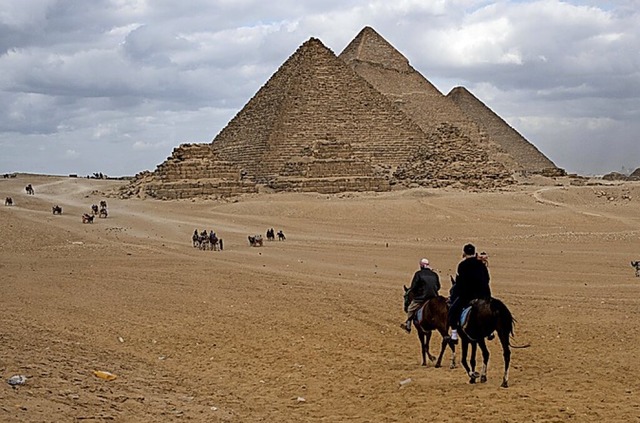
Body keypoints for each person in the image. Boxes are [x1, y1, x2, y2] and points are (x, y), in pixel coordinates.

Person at [448, 243, 491, 343]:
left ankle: (454, 334)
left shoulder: (462, 265)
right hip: (483, 295)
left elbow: (459, 283)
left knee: (452, 311)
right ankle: (489, 332)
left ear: (464, 253)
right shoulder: (481, 264)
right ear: (474, 252)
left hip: (468, 296)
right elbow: (487, 279)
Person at [401, 258, 441, 333]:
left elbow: (413, 287)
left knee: (410, 309)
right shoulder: (434, 274)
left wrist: (418, 293)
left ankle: (408, 325)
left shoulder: (418, 274)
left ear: (421, 266)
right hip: (434, 297)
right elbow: (438, 286)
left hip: (421, 297)